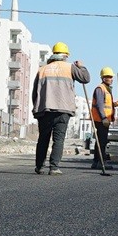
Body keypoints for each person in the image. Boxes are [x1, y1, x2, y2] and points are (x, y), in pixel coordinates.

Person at [31, 41, 90, 175]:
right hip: (63, 109)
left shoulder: (42, 69)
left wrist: (36, 108)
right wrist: (82, 67)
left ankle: (39, 166)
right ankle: (54, 167)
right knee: (59, 139)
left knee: (43, 138)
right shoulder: (69, 67)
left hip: (44, 109)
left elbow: (35, 92)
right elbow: (86, 79)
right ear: (65, 55)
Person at [89, 66, 118, 176]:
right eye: (109, 77)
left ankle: (96, 162)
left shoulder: (106, 89)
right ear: (103, 78)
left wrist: (115, 104)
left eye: (111, 77)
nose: (111, 79)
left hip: (103, 119)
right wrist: (104, 118)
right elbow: (100, 105)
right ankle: (101, 162)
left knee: (100, 140)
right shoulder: (100, 88)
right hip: (101, 119)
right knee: (102, 141)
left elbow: (106, 104)